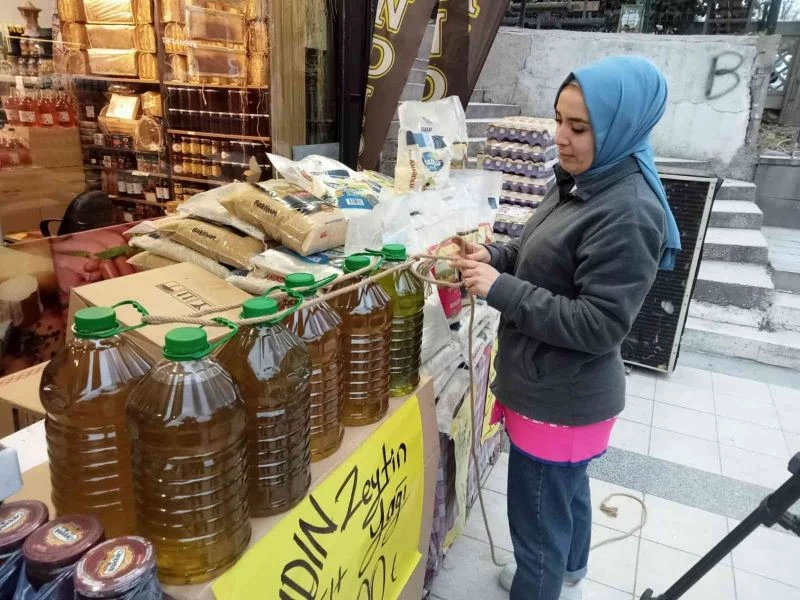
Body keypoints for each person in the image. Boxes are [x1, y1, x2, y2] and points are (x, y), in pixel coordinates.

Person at [455, 56, 681, 600]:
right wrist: (495, 255)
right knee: (564, 492)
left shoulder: (626, 210)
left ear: (623, 126)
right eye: (559, 120)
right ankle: (571, 567)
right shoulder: (583, 181)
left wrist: (499, 288)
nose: (560, 137)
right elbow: (540, 256)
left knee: (535, 518)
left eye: (578, 128)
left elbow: (599, 323)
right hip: (555, 389)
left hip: (562, 397)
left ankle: (540, 585)